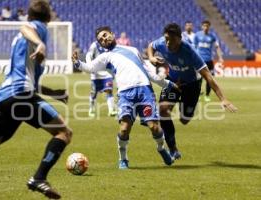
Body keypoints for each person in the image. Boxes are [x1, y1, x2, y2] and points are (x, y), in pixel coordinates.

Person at [0, 1, 70, 199]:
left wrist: (54, 93)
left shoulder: (19, 41)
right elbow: (25, 26)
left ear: (29, 14)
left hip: (5, 97)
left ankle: (39, 178)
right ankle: (39, 178)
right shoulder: (37, 29)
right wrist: (41, 43)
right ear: (49, 18)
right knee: (63, 132)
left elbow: (31, 81)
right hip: (20, 96)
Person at [72, 26, 179, 169]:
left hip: (144, 90)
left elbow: (148, 72)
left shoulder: (133, 50)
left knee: (154, 127)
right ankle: (123, 159)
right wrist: (77, 63)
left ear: (112, 34)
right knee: (124, 128)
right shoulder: (105, 57)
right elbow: (90, 67)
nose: (104, 39)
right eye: (101, 40)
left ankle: (161, 148)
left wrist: (167, 83)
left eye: (105, 35)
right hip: (125, 94)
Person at [147, 23, 237, 161]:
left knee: (184, 119)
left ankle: (184, 108)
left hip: (192, 85)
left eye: (171, 39)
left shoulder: (189, 51)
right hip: (173, 81)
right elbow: (151, 46)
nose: (168, 42)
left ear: (179, 38)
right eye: (166, 39)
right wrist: (152, 58)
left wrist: (222, 98)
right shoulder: (161, 43)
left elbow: (208, 76)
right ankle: (173, 149)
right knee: (163, 110)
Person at [194, 20, 224, 102]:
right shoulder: (197, 35)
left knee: (209, 79)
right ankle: (197, 94)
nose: (205, 27)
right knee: (198, 79)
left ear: (209, 27)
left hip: (209, 60)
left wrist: (220, 57)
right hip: (199, 60)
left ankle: (207, 95)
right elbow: (193, 47)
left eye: (207, 26)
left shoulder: (212, 36)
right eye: (204, 26)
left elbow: (217, 47)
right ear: (202, 26)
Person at [85, 41, 117, 117]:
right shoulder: (94, 45)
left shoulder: (110, 44)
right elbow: (88, 55)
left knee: (109, 91)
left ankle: (111, 110)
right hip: (95, 74)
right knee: (93, 93)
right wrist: (90, 66)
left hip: (107, 73)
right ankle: (91, 109)